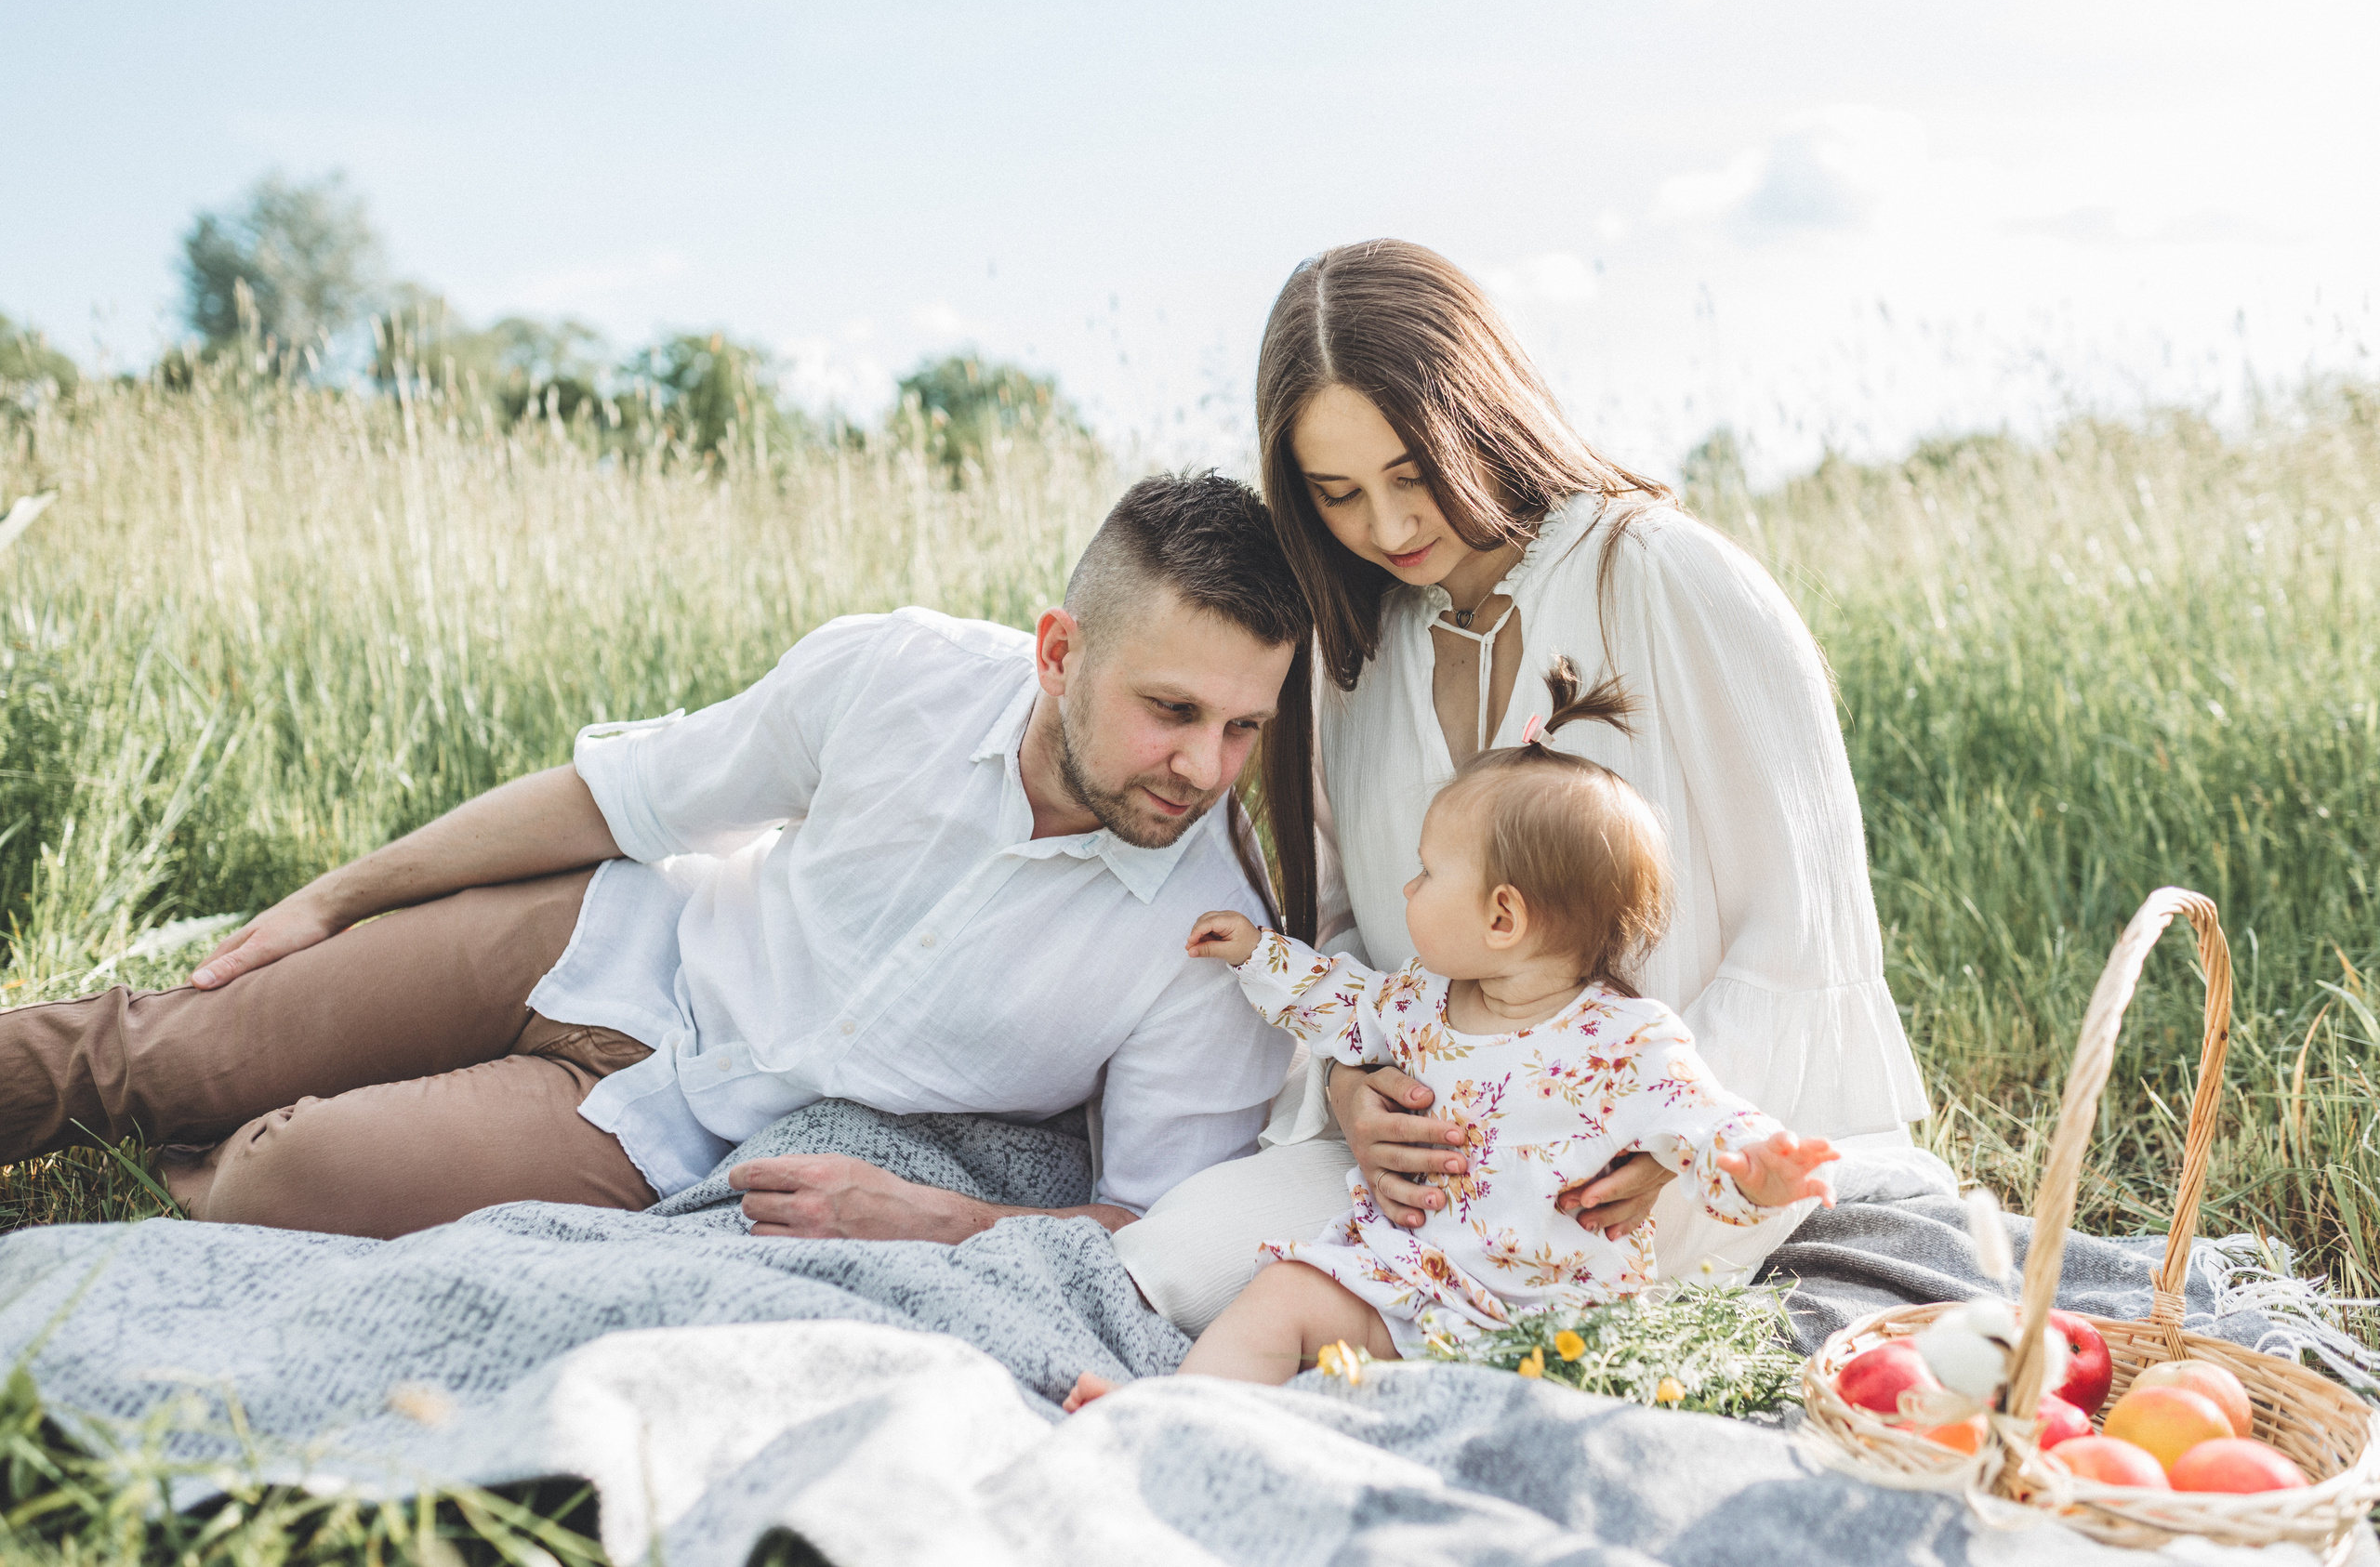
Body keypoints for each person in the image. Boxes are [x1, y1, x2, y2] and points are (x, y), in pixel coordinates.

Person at [0, 471, 1304, 1240]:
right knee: (167, 1045)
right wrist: (328, 898)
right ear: (1060, 650)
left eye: (1245, 725)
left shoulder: (1210, 940)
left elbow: (1155, 1222)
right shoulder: (898, 670)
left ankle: (195, 1153)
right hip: (610, 936)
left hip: (661, 1129)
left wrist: (946, 1220)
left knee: (288, 1170)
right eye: (1173, 710)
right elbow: (616, 798)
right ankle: (175, 1096)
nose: (1204, 767)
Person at [1110, 241, 1929, 1334]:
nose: (1390, 529)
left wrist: (1662, 1139)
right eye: (1338, 494)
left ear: (1482, 414)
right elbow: (1350, 926)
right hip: (1450, 1167)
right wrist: (1356, 1093)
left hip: (1672, 1148)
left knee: (1576, 1317)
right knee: (1174, 1260)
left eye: (1412, 473)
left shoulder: (1664, 576)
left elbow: (1805, 929)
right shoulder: (1354, 646)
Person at [1066, 658, 1838, 1402]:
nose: (1408, 885)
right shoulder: (1421, 1000)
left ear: (1502, 916)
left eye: (1428, 872)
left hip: (1553, 1326)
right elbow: (1340, 998)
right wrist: (1257, 953)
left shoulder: (1625, 1040)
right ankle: (1174, 1411)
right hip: (1411, 1290)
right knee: (1283, 1294)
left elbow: (1701, 1119)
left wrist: (1759, 1163)